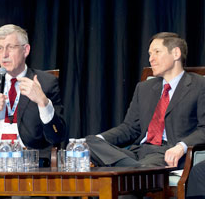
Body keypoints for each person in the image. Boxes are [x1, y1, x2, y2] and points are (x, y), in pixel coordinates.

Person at [86, 32, 205, 169]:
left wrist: (181, 147)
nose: (151, 59)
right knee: (88, 143)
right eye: (149, 54)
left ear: (176, 53)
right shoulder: (144, 88)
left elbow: (203, 129)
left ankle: (134, 170)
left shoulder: (199, 86)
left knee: (137, 166)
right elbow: (130, 129)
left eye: (157, 52)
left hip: (167, 153)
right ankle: (137, 170)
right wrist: (99, 140)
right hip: (138, 153)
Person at [0, 24, 66, 170]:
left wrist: (43, 102)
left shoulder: (45, 83)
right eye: (0, 48)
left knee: (24, 170)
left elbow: (57, 136)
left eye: (10, 47)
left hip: (26, 157)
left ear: (25, 50)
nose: (4, 54)